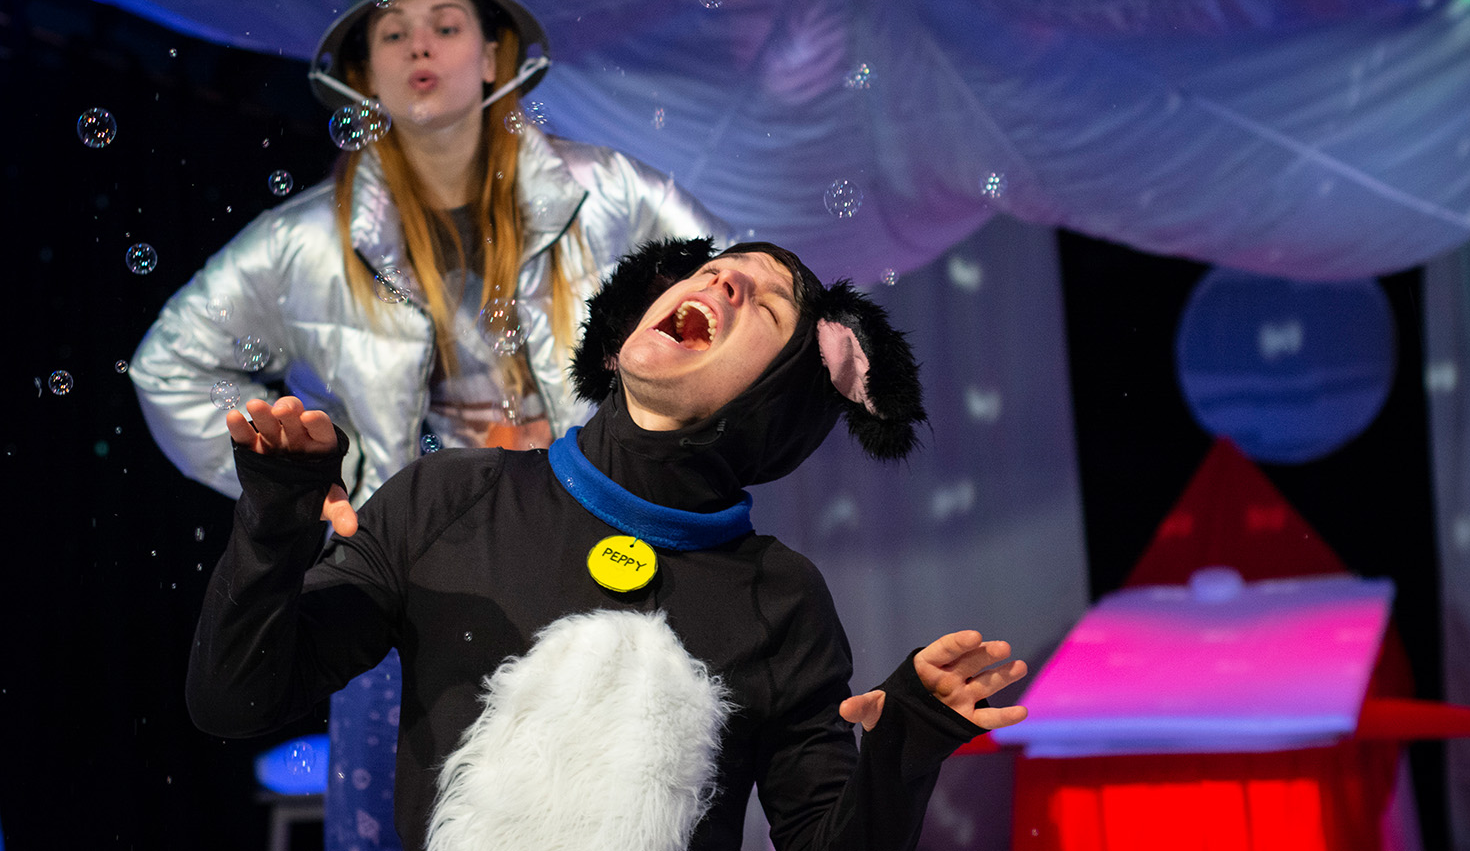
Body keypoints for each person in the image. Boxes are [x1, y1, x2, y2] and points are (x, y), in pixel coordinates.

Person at [129, 0, 730, 848]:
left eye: (447, 26)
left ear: (493, 56)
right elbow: (168, 365)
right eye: (392, 32)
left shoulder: (612, 196)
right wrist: (336, 484)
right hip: (415, 560)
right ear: (364, 74)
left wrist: (596, 440)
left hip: (598, 545)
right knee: (408, 815)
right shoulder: (304, 241)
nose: (420, 46)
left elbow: (726, 327)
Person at [188, 238, 1029, 851]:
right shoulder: (449, 498)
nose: (724, 278)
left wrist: (902, 751)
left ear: (783, 399)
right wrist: (274, 517)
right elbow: (235, 702)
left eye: (766, 306)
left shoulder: (783, 600)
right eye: (712, 271)